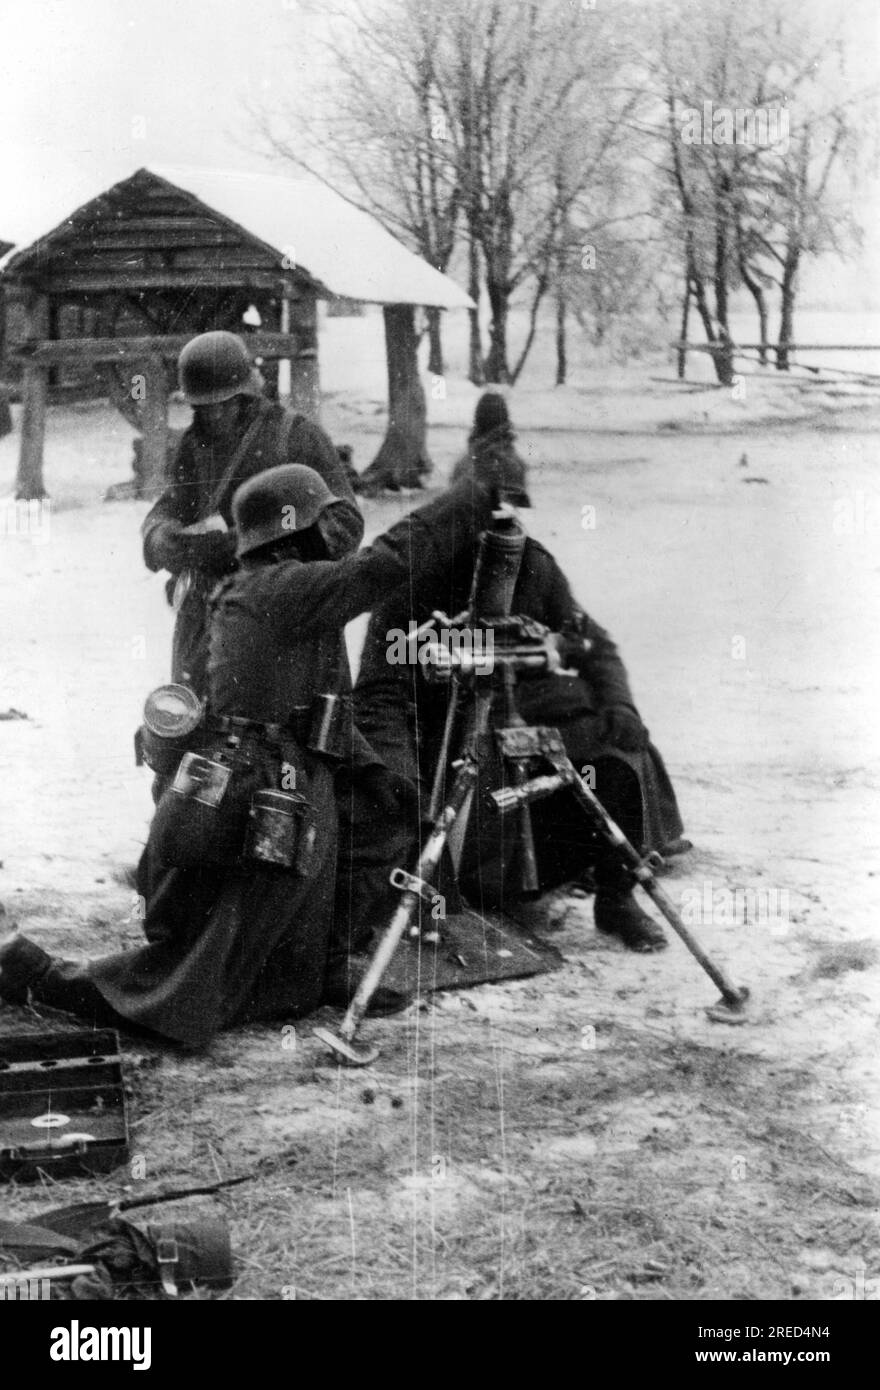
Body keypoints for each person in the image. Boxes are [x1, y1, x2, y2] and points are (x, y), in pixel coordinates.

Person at [0, 466, 497, 1047]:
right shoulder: (277, 589)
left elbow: (319, 704)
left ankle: (317, 970)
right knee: (206, 972)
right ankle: (44, 976)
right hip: (259, 788)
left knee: (375, 818)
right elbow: (384, 564)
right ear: (293, 532)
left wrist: (369, 769)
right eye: (319, 523)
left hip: (290, 768)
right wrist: (471, 495)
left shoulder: (280, 589)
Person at [342, 393, 690, 954]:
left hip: (527, 723)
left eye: (511, 508)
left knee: (618, 757)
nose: (501, 522)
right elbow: (379, 683)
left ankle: (617, 895)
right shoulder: (412, 576)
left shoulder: (533, 563)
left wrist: (620, 706)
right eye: (486, 508)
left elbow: (592, 645)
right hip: (445, 731)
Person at [141, 330, 363, 694]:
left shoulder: (296, 437)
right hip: (208, 622)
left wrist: (258, 544)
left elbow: (345, 525)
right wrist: (159, 536)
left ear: (246, 395)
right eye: (202, 406)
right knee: (191, 731)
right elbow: (172, 505)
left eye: (223, 403)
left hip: (284, 617)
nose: (212, 414)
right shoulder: (193, 444)